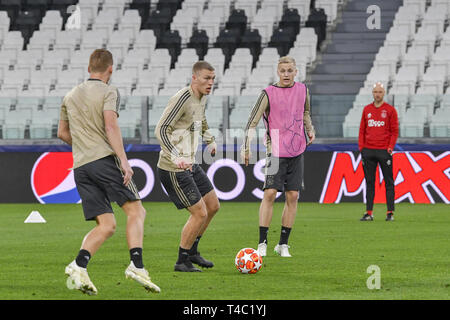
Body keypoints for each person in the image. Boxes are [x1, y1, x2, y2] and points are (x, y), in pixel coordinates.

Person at [58, 49, 160, 295]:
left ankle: (79, 264)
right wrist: (124, 161)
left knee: (107, 224)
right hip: (104, 161)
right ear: (110, 69)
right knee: (136, 210)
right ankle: (137, 265)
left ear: (89, 67)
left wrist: (84, 147)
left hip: (81, 166)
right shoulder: (109, 91)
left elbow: (62, 133)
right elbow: (110, 125)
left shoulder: (69, 95)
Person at [241, 56, 315, 258]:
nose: (286, 74)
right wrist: (246, 147)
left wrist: (310, 129)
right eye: (283, 71)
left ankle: (283, 244)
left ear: (295, 72)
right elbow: (252, 121)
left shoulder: (303, 90)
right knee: (270, 193)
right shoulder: (268, 93)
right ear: (278, 72)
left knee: (293, 196)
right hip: (275, 150)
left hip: (297, 149)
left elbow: (305, 112)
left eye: (290, 71)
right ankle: (262, 242)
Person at [155, 61, 220, 272]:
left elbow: (200, 121)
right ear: (194, 78)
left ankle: (193, 252)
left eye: (212, 79)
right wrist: (175, 156)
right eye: (206, 78)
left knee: (212, 206)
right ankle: (182, 260)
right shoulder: (182, 97)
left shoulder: (200, 98)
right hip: (173, 167)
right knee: (199, 212)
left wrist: (210, 140)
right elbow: (161, 129)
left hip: (190, 163)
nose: (210, 83)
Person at [358, 82, 399, 221]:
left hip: (383, 151)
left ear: (384, 93)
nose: (377, 94)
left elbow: (394, 131)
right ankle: (369, 212)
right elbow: (362, 130)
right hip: (368, 151)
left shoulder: (390, 110)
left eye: (380, 92)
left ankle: (390, 213)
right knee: (369, 182)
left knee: (388, 182)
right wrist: (361, 148)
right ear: (372, 93)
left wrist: (390, 147)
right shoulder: (366, 109)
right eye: (375, 92)